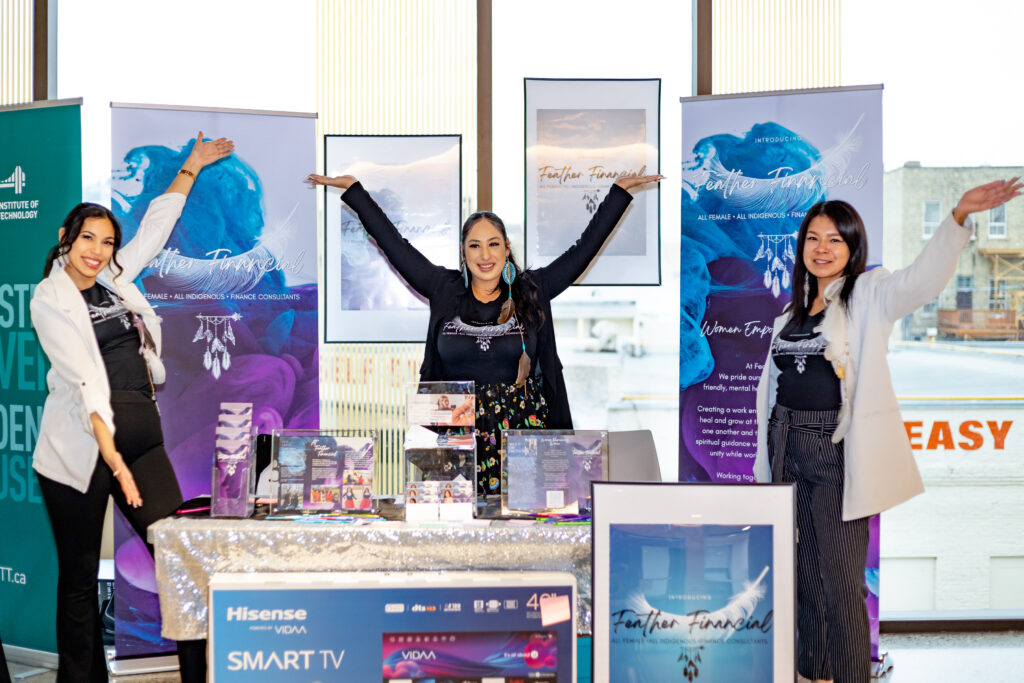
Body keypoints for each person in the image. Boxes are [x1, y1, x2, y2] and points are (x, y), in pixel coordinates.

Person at [753, 178, 1021, 683]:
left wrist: (958, 218)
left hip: (835, 452)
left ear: (853, 248)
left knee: (840, 582)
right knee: (804, 579)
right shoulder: (787, 315)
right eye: (813, 238)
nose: (822, 248)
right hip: (786, 446)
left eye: (835, 239)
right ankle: (815, 673)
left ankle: (853, 675)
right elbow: (771, 395)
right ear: (801, 247)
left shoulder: (869, 294)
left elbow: (921, 281)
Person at [307, 172, 662, 496]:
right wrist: (354, 191)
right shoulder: (443, 289)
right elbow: (394, 244)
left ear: (507, 247)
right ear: (463, 251)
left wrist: (617, 194)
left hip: (525, 439)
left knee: (527, 536)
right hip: (453, 438)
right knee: (457, 537)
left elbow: (583, 249)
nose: (485, 254)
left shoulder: (532, 289)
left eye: (493, 244)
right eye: (474, 245)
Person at [31, 132, 233, 682]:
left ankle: (200, 675)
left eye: (105, 241)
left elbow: (156, 227)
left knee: (179, 559)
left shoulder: (117, 279)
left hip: (141, 437)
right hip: (83, 448)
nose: (96, 250)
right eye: (87, 238)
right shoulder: (50, 298)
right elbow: (85, 377)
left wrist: (188, 168)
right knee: (76, 579)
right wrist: (113, 459)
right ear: (65, 240)